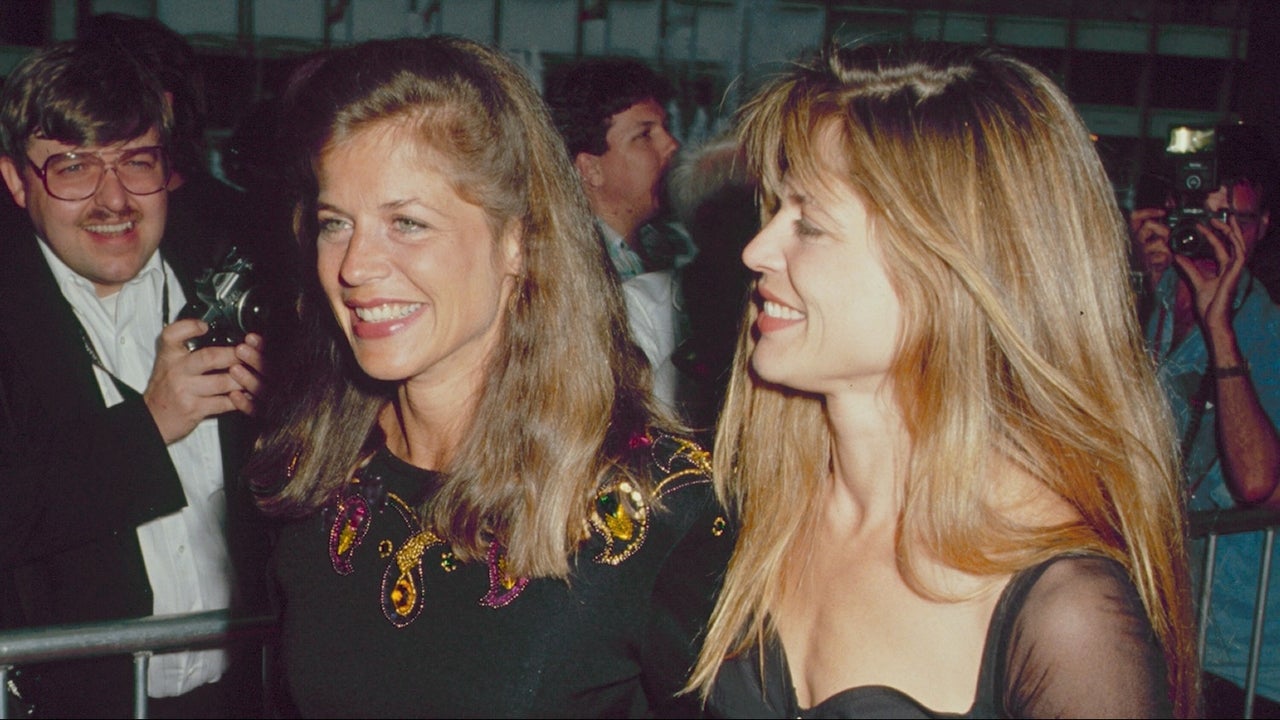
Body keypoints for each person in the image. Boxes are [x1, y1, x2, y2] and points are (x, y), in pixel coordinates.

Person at [686, 42, 1198, 718]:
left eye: (809, 222)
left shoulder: (1063, 612)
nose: (757, 249)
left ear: (944, 271)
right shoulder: (759, 511)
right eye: (775, 210)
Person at [244, 35, 732, 717]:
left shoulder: (659, 513)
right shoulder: (319, 473)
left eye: (407, 223)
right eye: (335, 224)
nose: (354, 266)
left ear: (517, 244)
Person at [0, 39, 265, 718]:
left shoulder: (247, 272)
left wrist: (288, 418)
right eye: (73, 167)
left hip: (244, 694)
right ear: (15, 179)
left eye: (136, 163)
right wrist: (150, 426)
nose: (112, 199)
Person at [1131, 125, 1280, 716]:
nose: (1218, 236)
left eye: (1236, 220)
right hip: (1161, 629)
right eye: (1204, 215)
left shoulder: (1265, 330)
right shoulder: (1154, 306)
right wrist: (1141, 281)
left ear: (1262, 229)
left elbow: (1256, 482)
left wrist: (1220, 328)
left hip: (1244, 656)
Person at [544, 55, 686, 281]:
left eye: (666, 127)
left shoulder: (666, 245)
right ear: (591, 169)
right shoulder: (574, 272)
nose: (672, 144)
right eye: (645, 135)